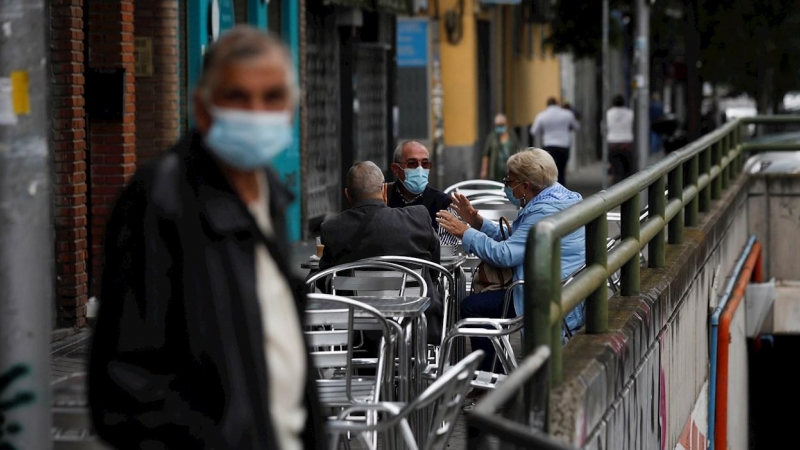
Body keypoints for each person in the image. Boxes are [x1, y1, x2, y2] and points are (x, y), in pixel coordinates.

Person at [88, 26, 322, 449]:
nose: (256, 112)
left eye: (271, 97)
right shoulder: (160, 200)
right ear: (203, 107)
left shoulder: (269, 194)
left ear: (290, 110)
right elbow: (125, 386)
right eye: (237, 97)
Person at [436, 148, 586, 375]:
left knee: (472, 308)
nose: (506, 185)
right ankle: (492, 373)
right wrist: (477, 221)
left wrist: (464, 232)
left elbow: (505, 254)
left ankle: (488, 380)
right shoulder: (561, 197)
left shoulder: (542, 211)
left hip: (545, 293)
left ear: (525, 185)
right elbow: (518, 240)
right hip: (563, 287)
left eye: (509, 180)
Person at [318, 160, 443, 342]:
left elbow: (325, 282)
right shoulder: (417, 218)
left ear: (348, 195)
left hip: (357, 332)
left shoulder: (333, 229)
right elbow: (434, 268)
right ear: (385, 191)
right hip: (415, 326)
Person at [388, 140, 458, 245]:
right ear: (395, 169)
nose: (420, 169)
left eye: (425, 164)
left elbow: (445, 252)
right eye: (412, 163)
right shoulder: (383, 197)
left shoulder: (443, 204)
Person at [530, 97, 580, 185]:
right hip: (564, 145)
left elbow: (534, 131)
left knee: (549, 170)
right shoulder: (567, 114)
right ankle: (562, 187)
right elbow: (576, 127)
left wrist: (544, 130)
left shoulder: (542, 115)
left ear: (547, 105)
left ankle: (551, 188)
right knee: (561, 169)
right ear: (557, 104)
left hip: (548, 145)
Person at [480, 113, 520, 182]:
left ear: (506, 124)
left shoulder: (512, 136)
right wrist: (484, 170)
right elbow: (486, 154)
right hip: (496, 171)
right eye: (498, 125)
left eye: (501, 125)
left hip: (510, 169)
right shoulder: (492, 137)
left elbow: (518, 151)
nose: (500, 127)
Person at [606, 94, 636, 184]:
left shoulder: (609, 113)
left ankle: (615, 188)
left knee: (614, 169)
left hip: (613, 144)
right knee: (627, 171)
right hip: (626, 144)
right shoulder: (630, 113)